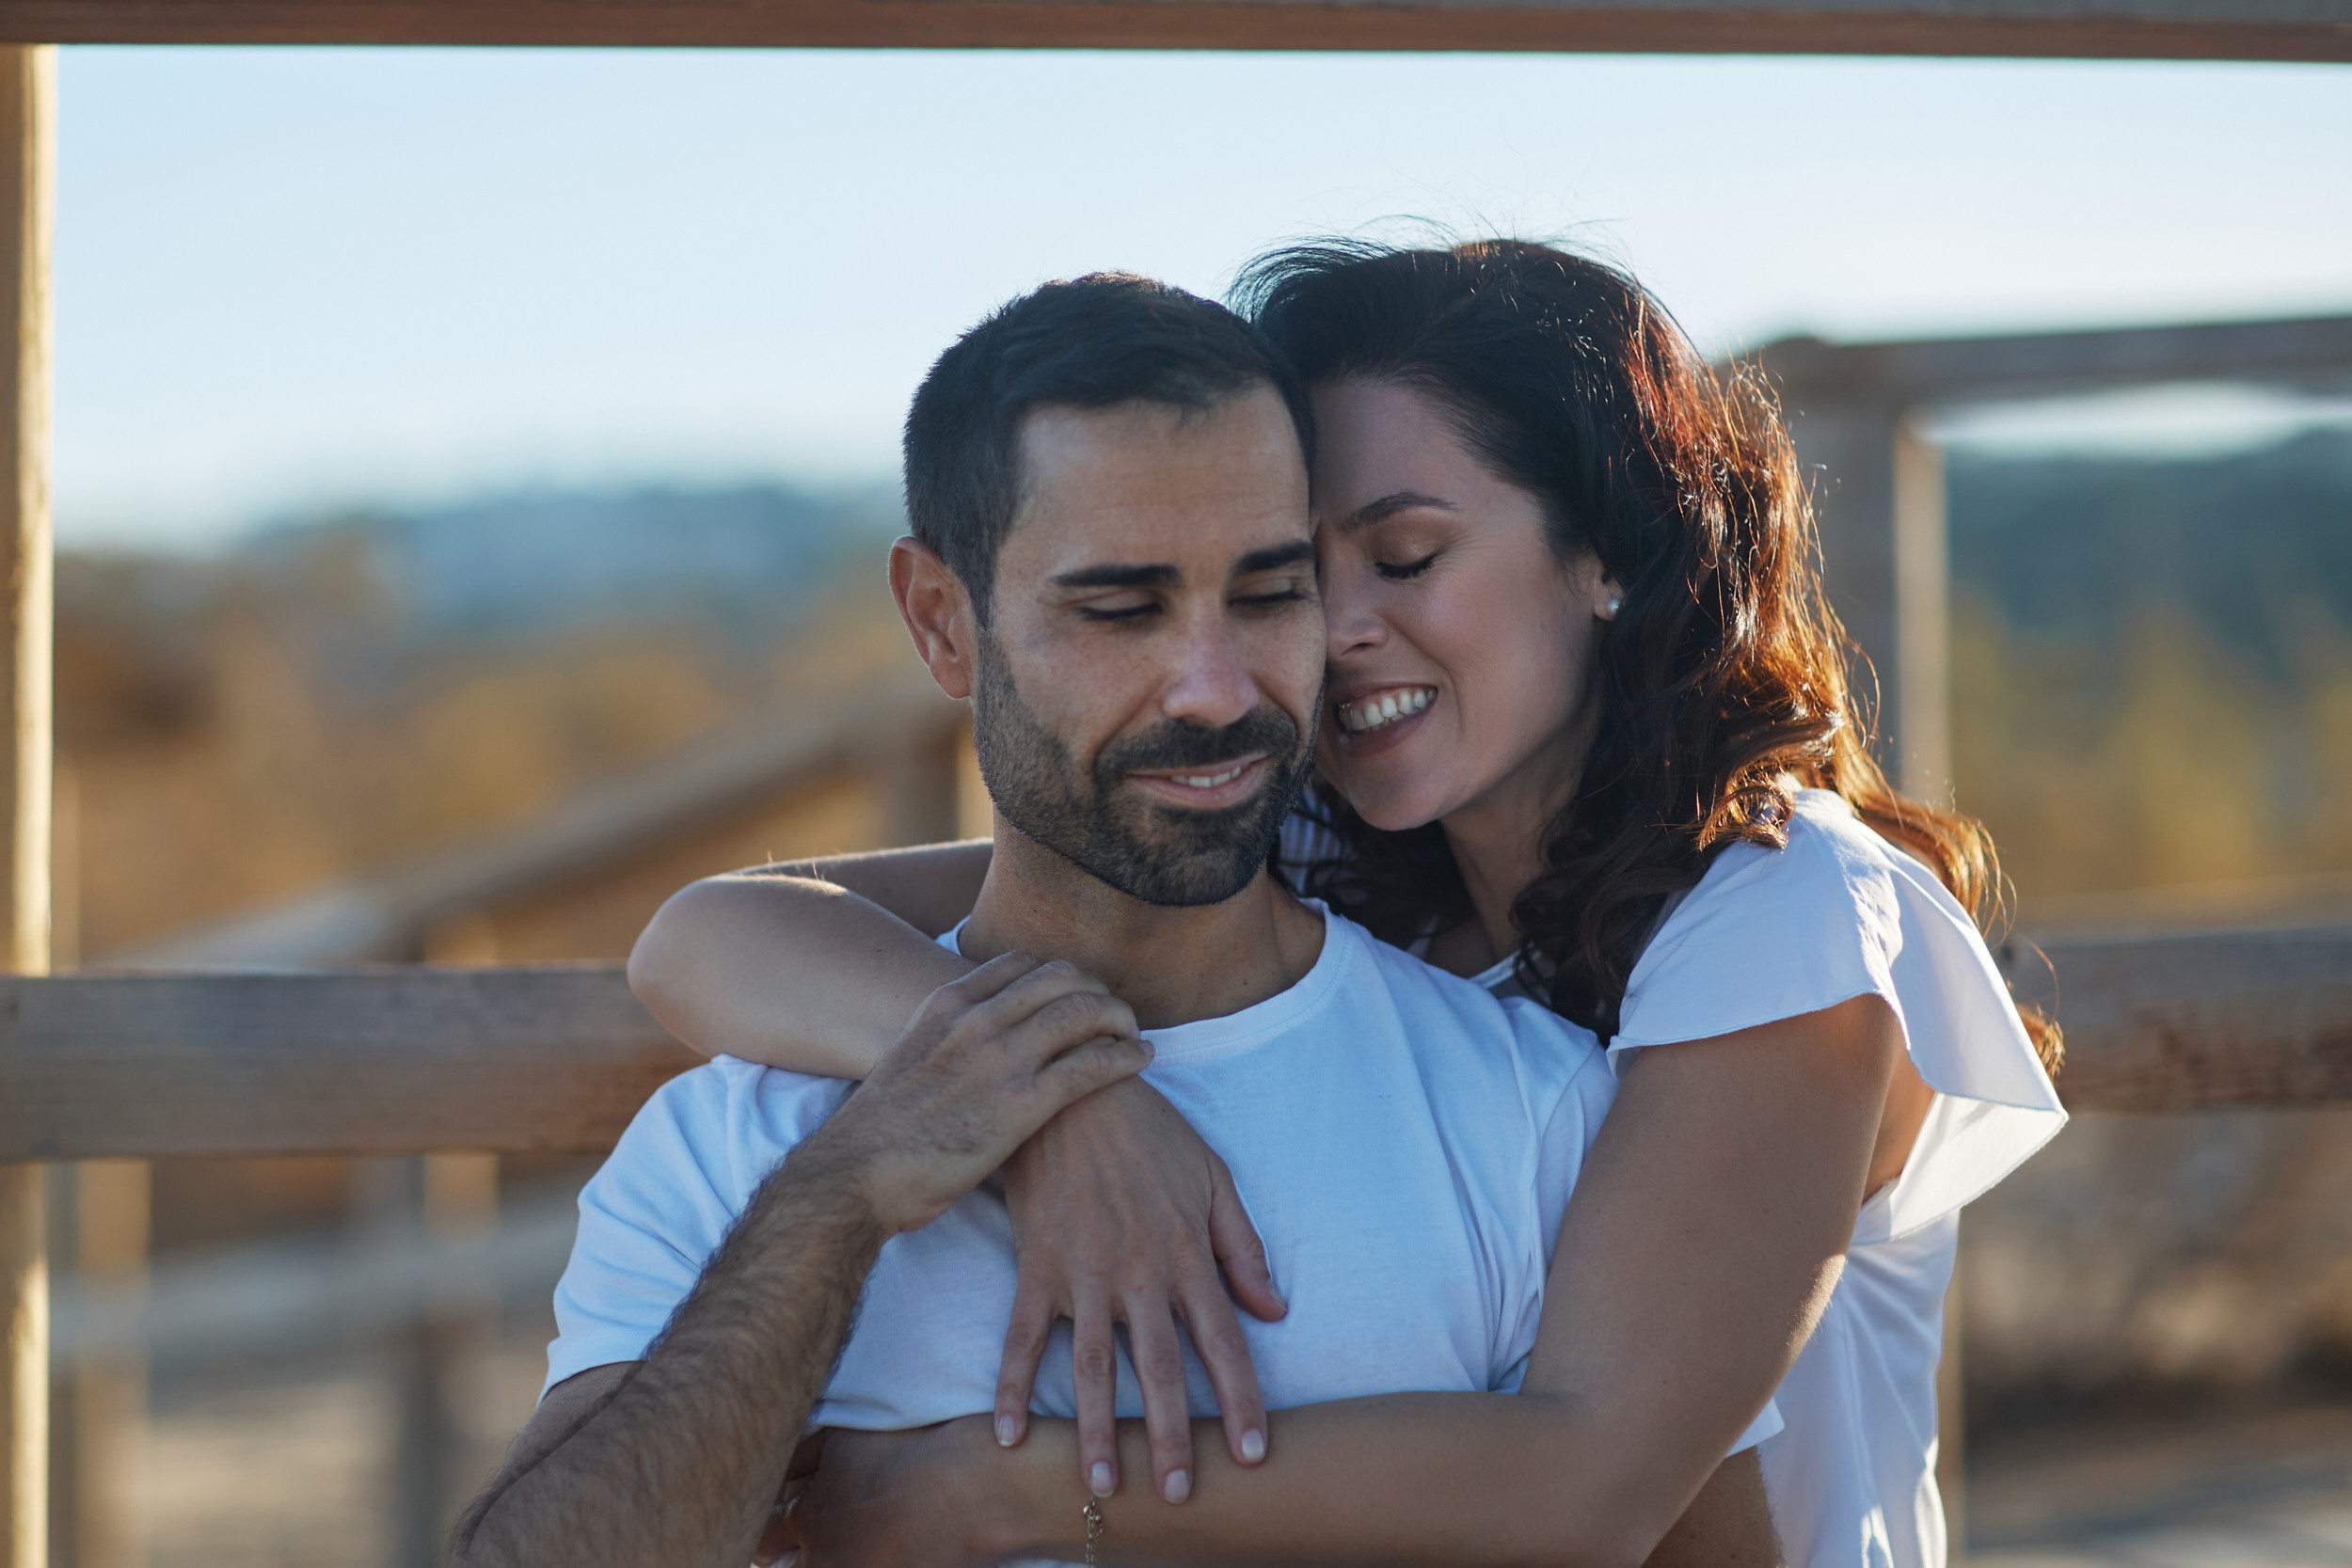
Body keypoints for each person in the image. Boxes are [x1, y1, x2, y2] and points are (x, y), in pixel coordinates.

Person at [633, 240, 2068, 1568]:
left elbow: (1586, 1485)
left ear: (1611, 555)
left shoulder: (1780, 904)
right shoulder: (1339, 844)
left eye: (1409, 555)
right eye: (1304, 574)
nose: (1345, 629)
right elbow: (704, 936)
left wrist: (996, 1487)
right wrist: (1051, 1100)